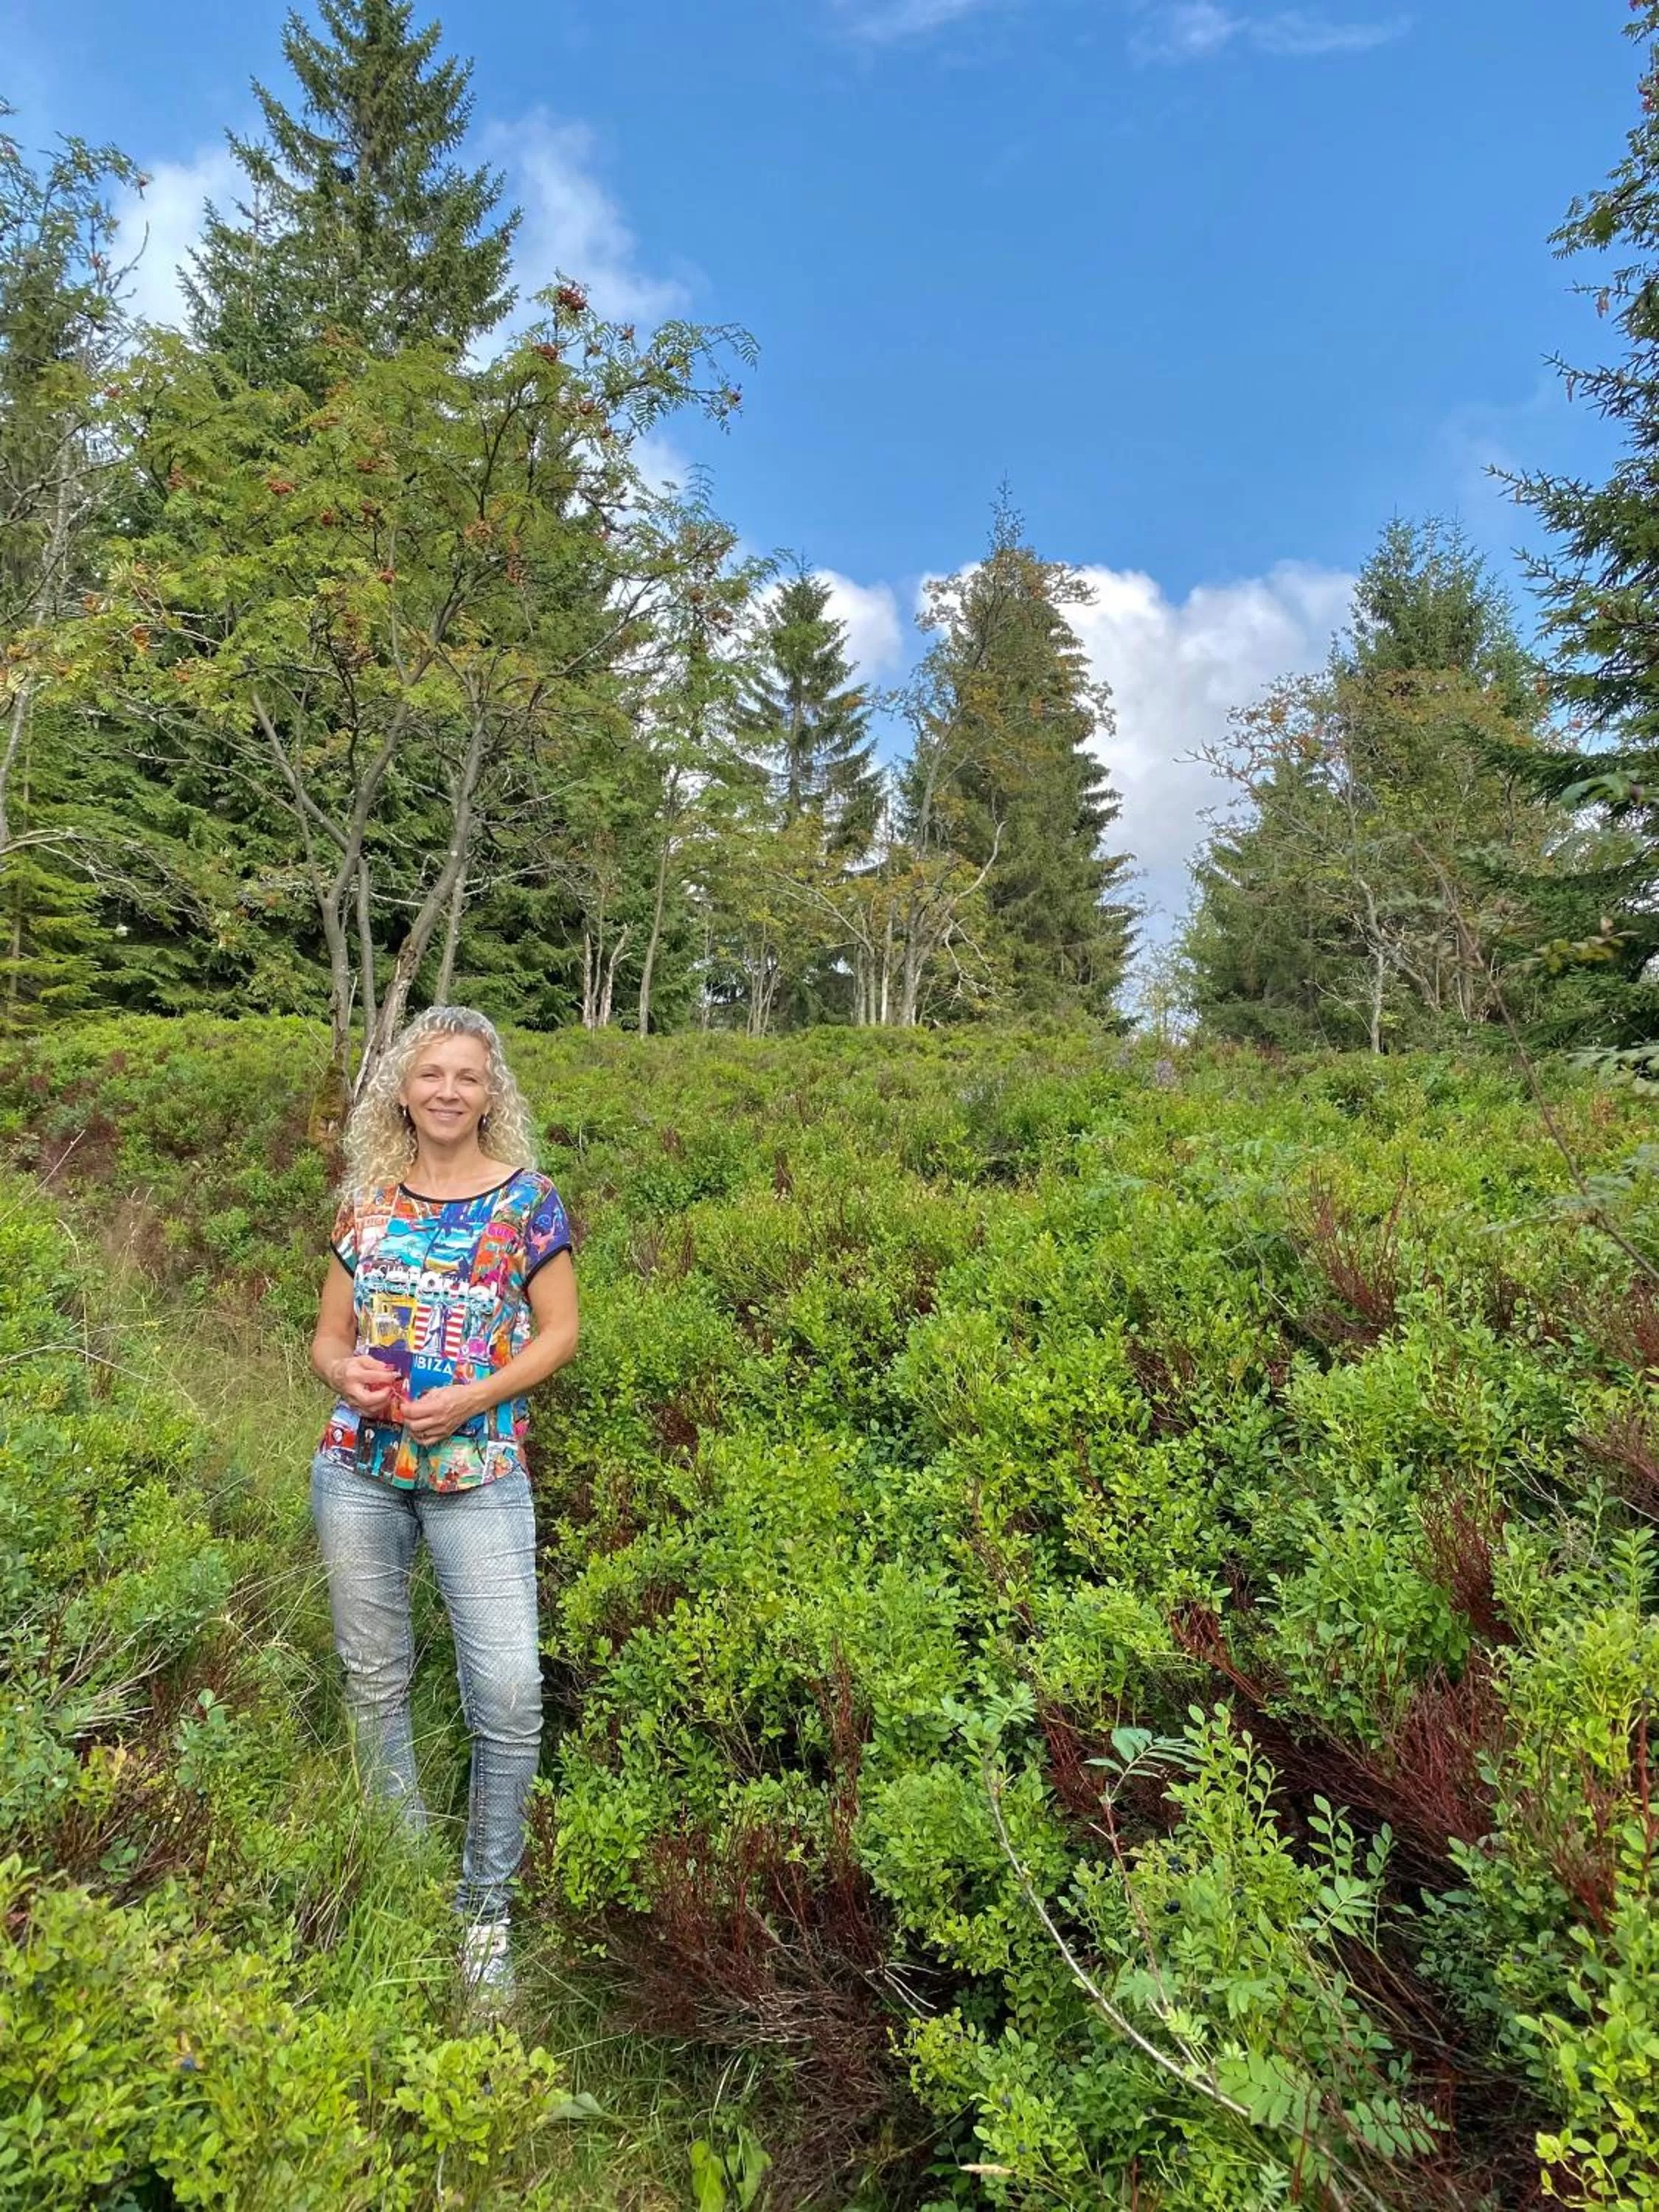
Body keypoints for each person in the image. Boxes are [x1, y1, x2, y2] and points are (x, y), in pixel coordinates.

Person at [309, 1006, 579, 1998]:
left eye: (468, 1076)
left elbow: (559, 1333)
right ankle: (404, 1873)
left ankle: (483, 1914)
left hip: (480, 1478)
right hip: (358, 1473)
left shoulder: (527, 1204)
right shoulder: (368, 1204)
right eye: (431, 1074)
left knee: (507, 1696)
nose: (449, 1091)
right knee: (374, 1684)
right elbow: (326, 1338)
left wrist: (473, 1394)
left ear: (491, 1093)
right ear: (402, 1091)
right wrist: (346, 1378)